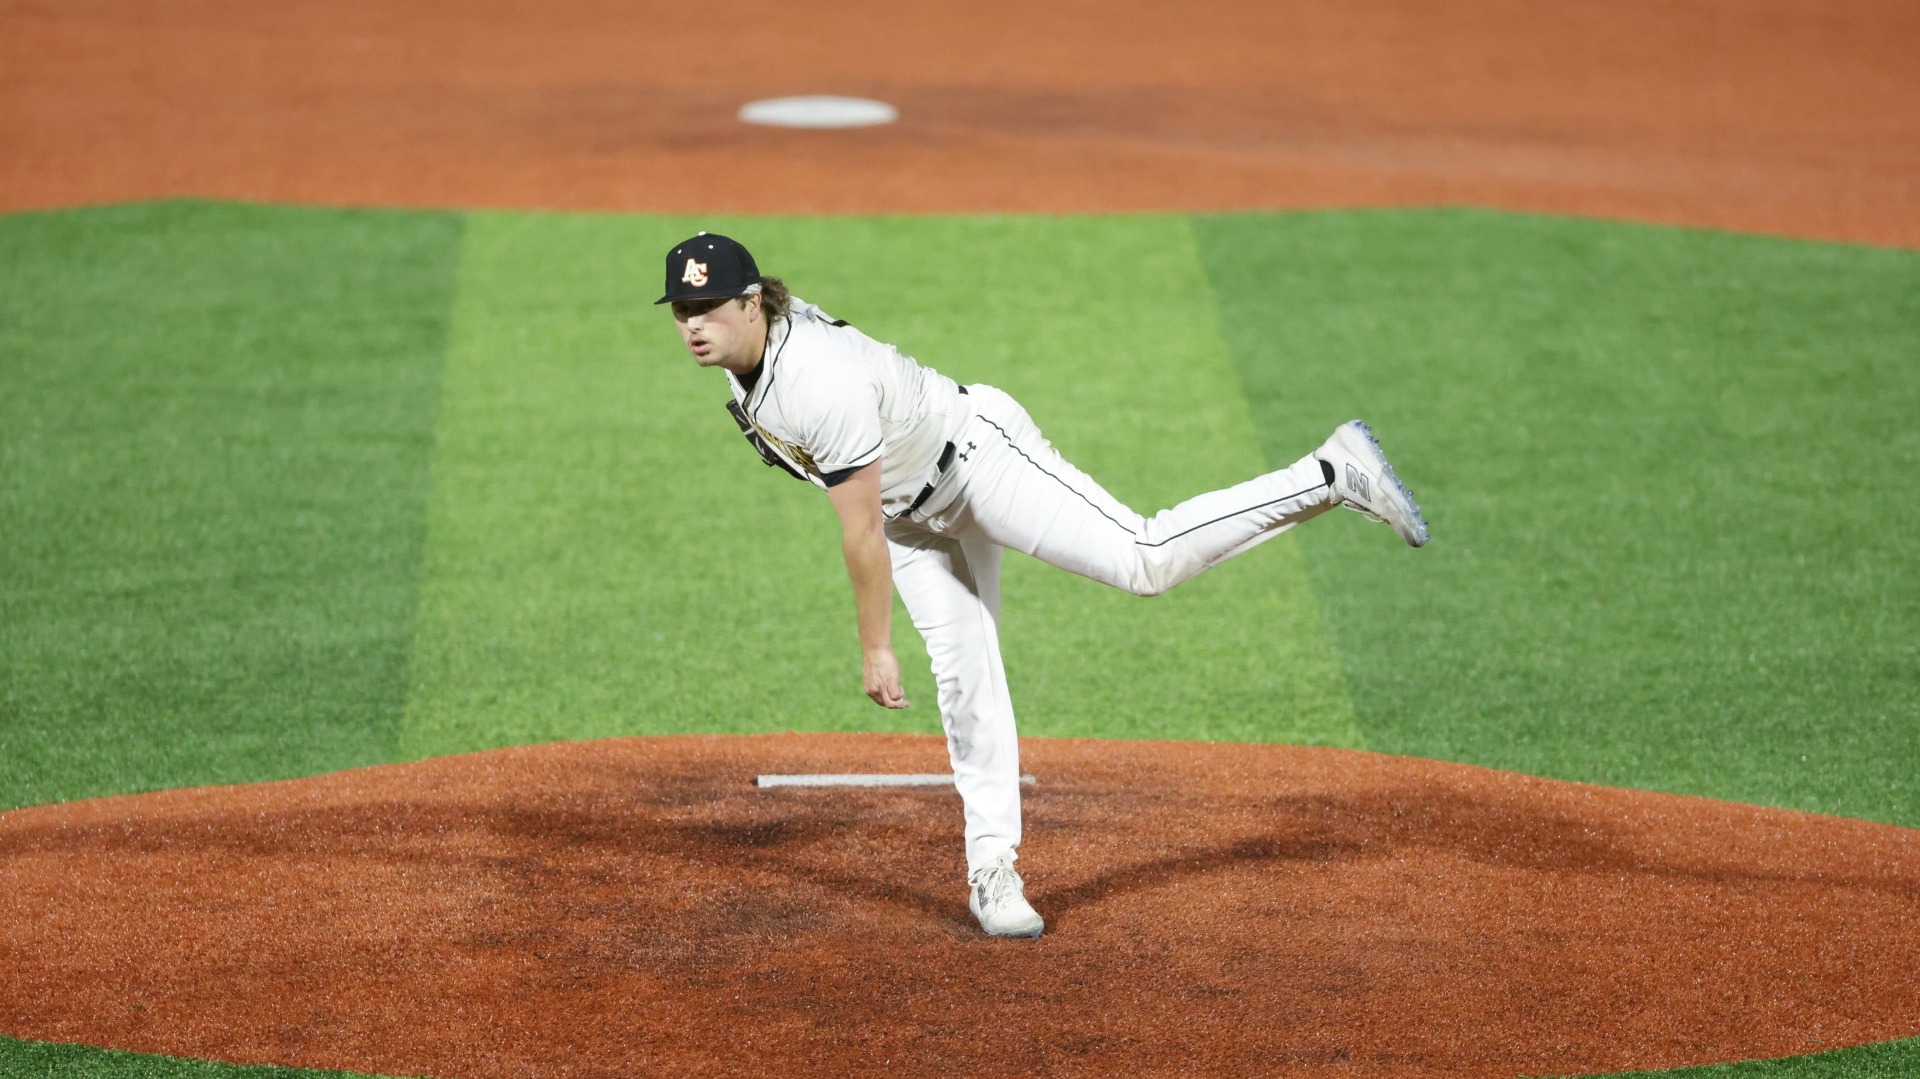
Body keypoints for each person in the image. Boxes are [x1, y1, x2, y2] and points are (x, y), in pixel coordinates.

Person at [657, 233, 1429, 938]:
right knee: (968, 681)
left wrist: (876, 647)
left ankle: (1328, 472)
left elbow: (857, 531)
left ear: (754, 303)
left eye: (710, 309)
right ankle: (993, 872)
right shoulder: (749, 365)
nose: (695, 326)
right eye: (684, 311)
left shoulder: (814, 382)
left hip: (977, 463)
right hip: (914, 516)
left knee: (1143, 556)